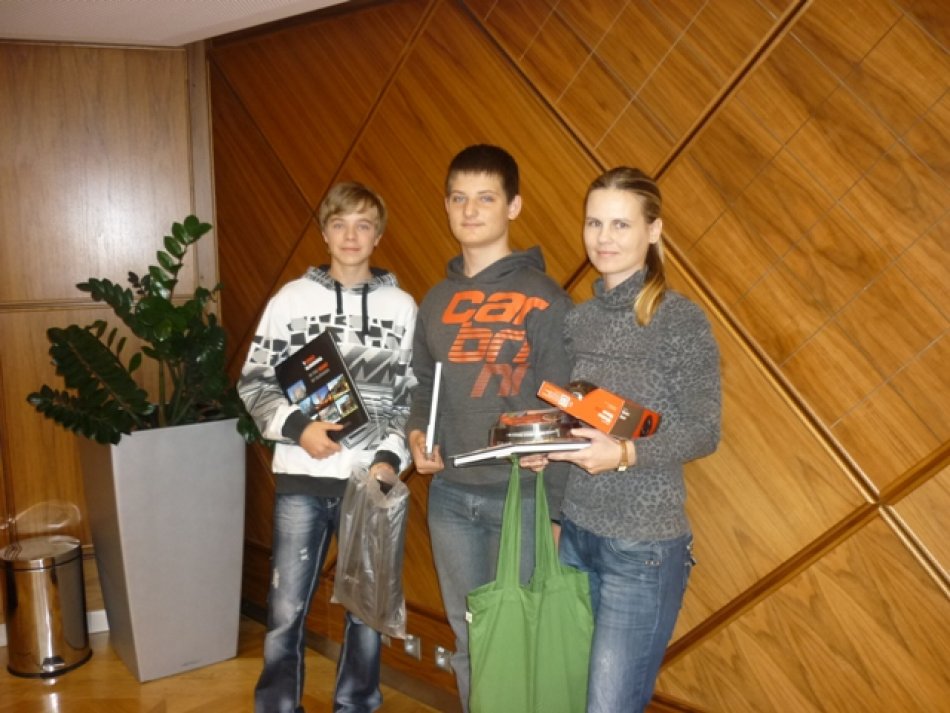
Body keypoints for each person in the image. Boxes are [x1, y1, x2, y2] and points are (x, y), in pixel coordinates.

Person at [524, 166, 721, 712]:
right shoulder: (579, 320)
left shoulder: (680, 321)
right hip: (576, 535)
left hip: (642, 550)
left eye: (620, 224)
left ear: (653, 231)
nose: (603, 238)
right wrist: (546, 450)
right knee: (565, 698)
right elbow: (578, 416)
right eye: (594, 223)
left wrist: (625, 453)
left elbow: (704, 431)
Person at [405, 144, 573, 711]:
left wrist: (555, 514)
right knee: (469, 639)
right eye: (459, 198)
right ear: (447, 206)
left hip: (523, 498)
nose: (470, 211)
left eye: (485, 198)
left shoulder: (545, 298)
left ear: (513, 206)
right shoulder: (436, 301)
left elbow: (565, 408)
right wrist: (416, 436)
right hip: (451, 498)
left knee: (520, 639)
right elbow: (422, 388)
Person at [238, 181, 417, 713]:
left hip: (369, 484)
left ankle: (356, 705)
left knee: (367, 612)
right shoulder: (290, 300)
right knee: (285, 609)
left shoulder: (402, 308)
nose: (351, 235)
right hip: (302, 479)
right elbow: (254, 382)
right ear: (324, 232)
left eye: (363, 225)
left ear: (378, 236)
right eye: (339, 224)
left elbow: (410, 398)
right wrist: (299, 429)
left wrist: (389, 459)